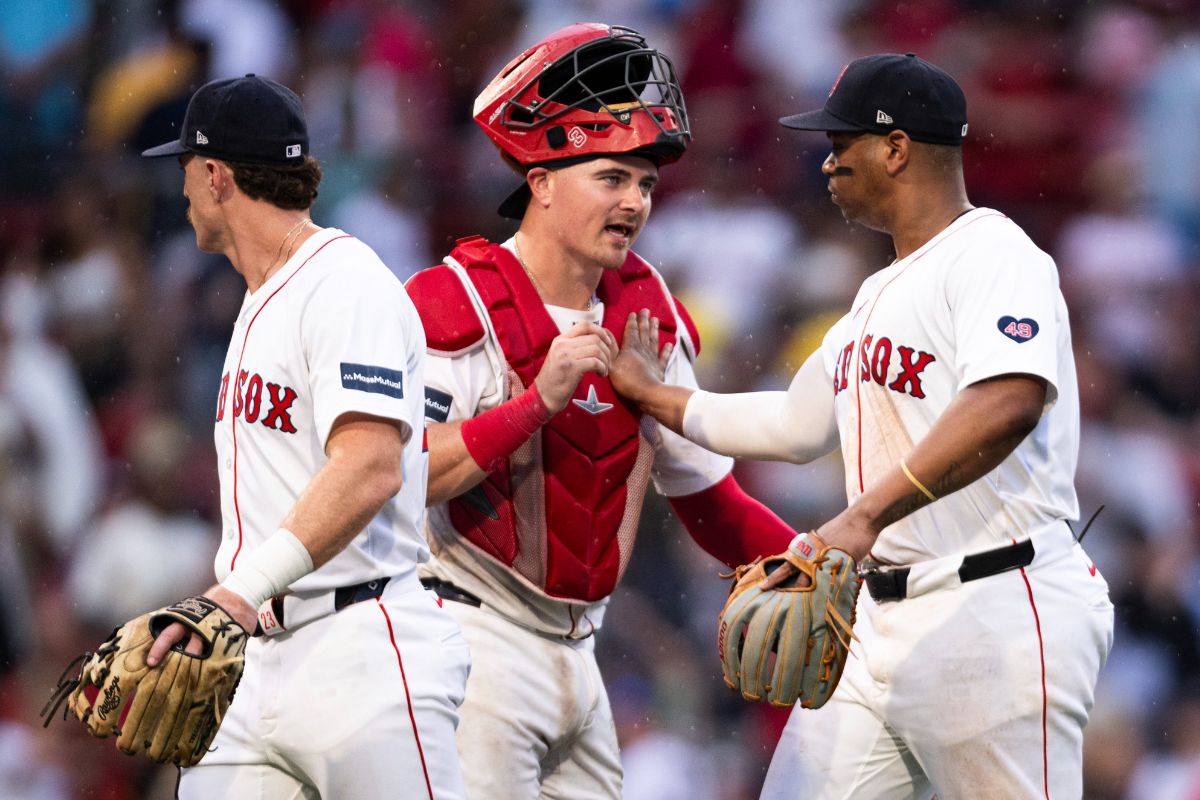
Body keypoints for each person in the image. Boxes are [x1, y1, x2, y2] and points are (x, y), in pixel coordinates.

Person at [610, 53, 1114, 798]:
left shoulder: (995, 253)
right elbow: (792, 422)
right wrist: (658, 400)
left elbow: (1008, 397)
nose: (827, 164)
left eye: (840, 145)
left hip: (997, 607)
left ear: (897, 147)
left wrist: (864, 516)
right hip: (877, 624)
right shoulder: (874, 295)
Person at [403, 23, 796, 799]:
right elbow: (402, 474)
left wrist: (814, 563)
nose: (636, 202)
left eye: (645, 183)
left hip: (584, 659)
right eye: (612, 178)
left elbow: (707, 496)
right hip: (468, 637)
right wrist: (535, 403)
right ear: (541, 181)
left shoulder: (647, 310)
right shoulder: (453, 301)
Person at [140, 74, 469, 798]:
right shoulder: (261, 296)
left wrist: (233, 593)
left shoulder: (345, 283)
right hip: (254, 658)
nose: (183, 190)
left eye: (186, 170)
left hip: (362, 651)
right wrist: (233, 600)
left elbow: (371, 467)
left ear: (217, 174)